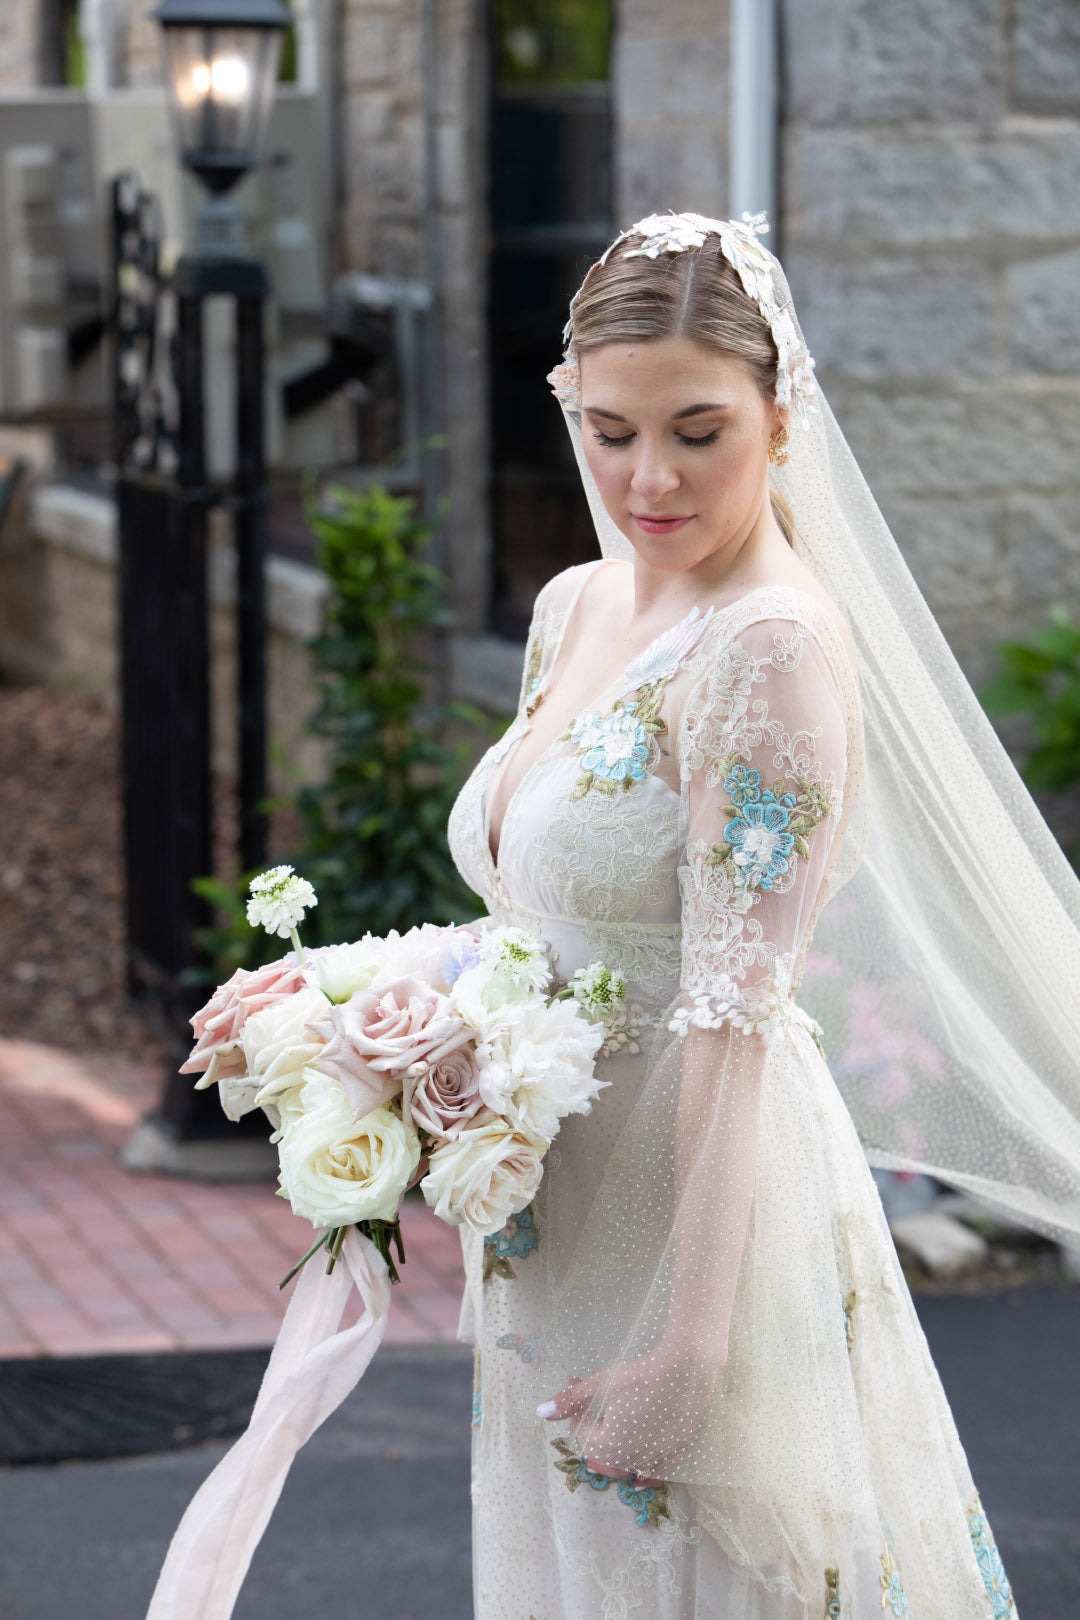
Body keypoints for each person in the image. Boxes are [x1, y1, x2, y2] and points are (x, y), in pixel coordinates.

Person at [444, 213, 1057, 1618]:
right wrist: (365, 1008)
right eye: (610, 429)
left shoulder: (767, 646)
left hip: (698, 1224)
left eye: (699, 431)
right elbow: (548, 920)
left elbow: (730, 1010)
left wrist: (694, 1354)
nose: (647, 476)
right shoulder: (573, 605)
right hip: (556, 1206)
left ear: (782, 419)